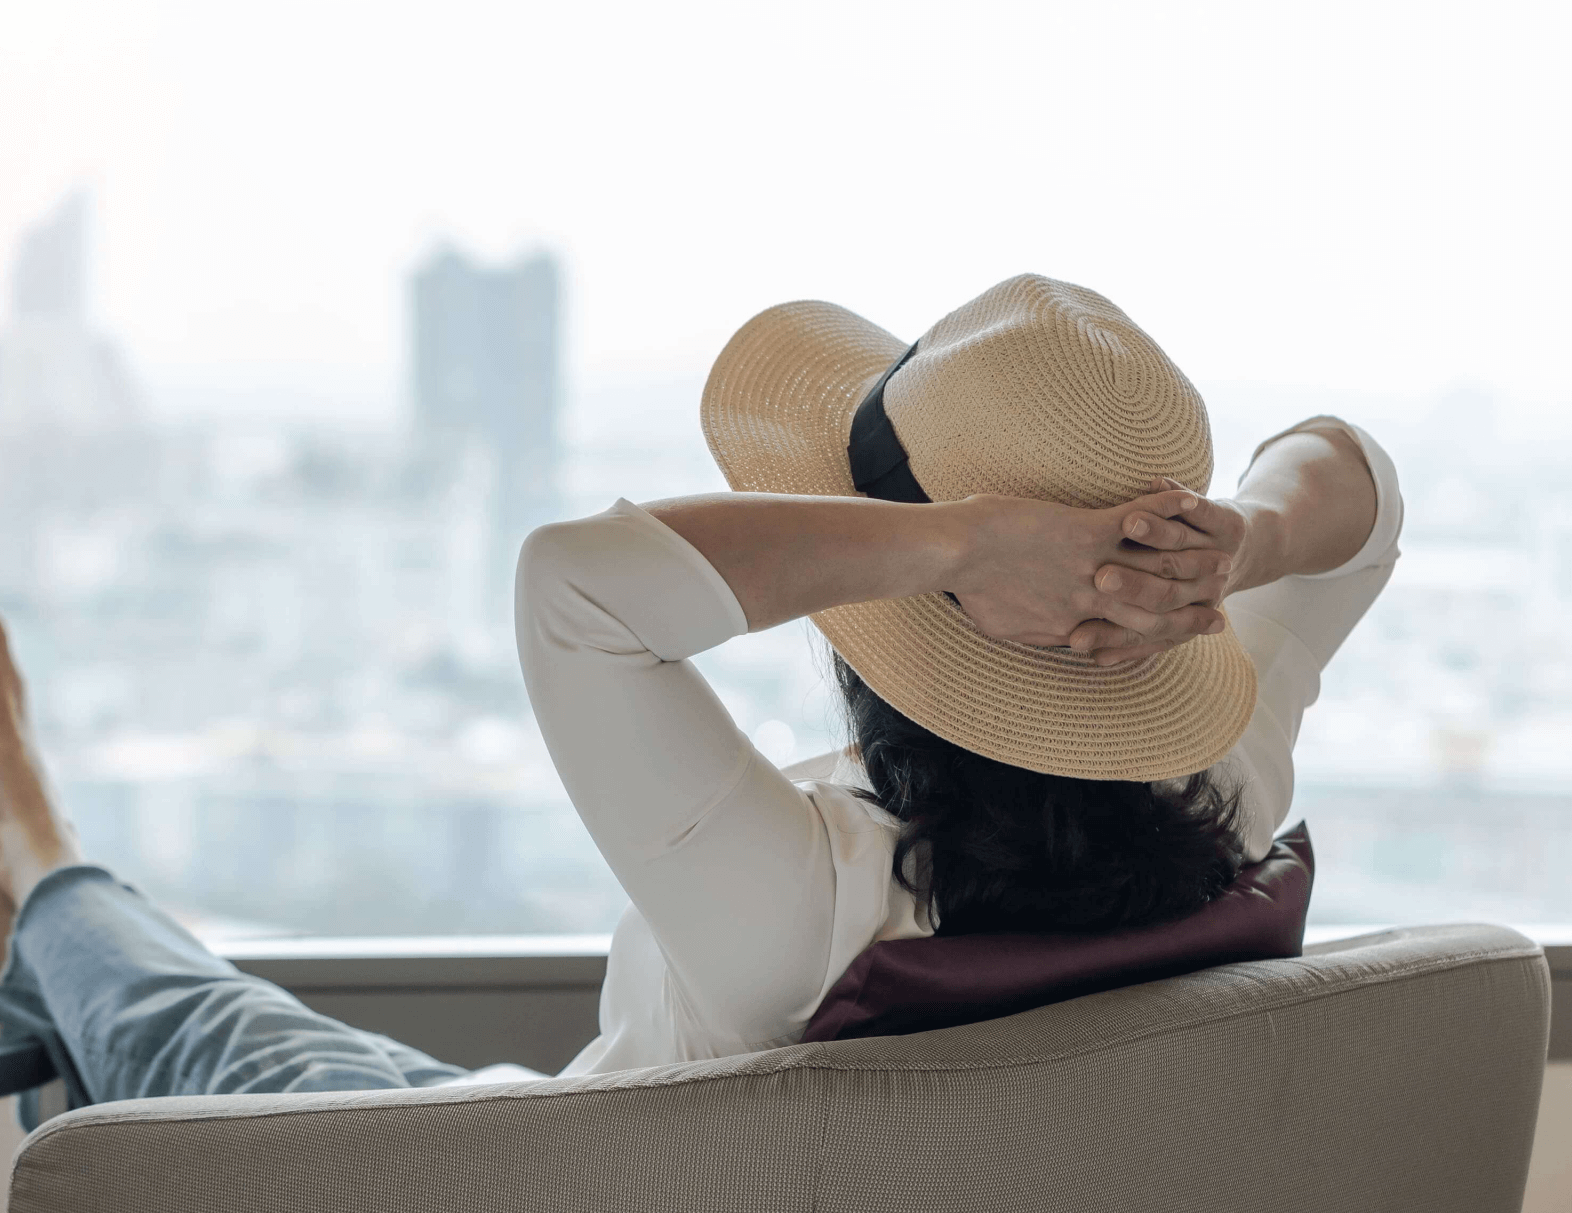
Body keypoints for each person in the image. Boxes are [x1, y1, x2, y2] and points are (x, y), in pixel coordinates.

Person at [0, 274, 1400, 1123]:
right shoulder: (1228, 791)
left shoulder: (807, 906)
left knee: (208, 1032)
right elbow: (1359, 476)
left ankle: (39, 863)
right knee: (272, 1036)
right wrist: (1242, 545)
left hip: (507, 1180)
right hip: (602, 1153)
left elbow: (573, 584)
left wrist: (965, 540)